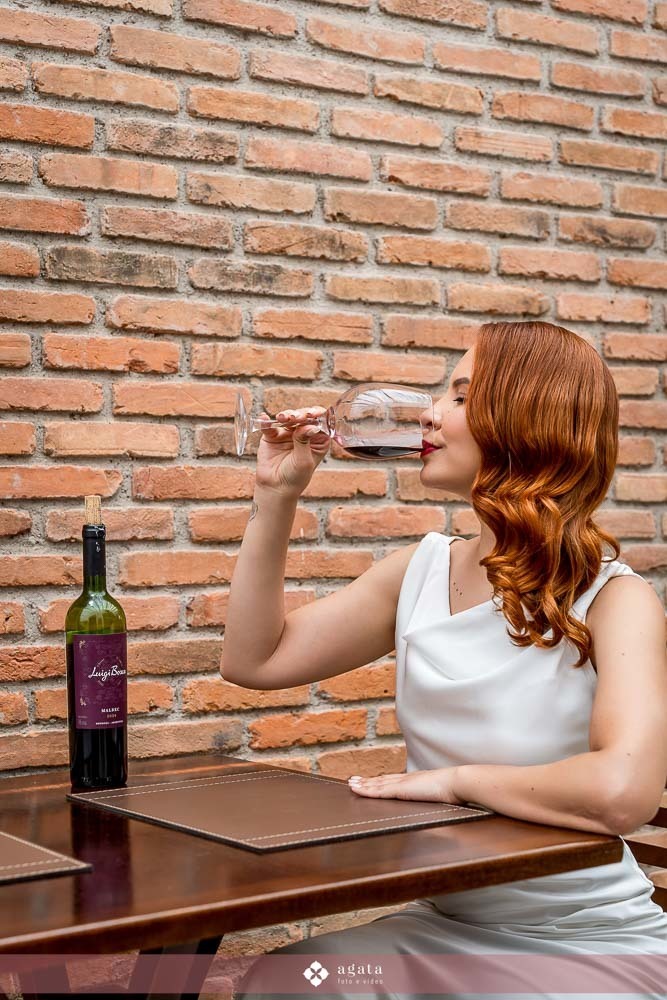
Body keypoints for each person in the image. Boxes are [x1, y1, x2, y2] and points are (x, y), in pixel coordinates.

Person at [223, 320, 667, 1000]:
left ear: (526, 423)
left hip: (591, 940)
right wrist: (275, 495)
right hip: (448, 924)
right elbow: (255, 661)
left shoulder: (614, 599)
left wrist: (454, 781)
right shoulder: (420, 571)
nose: (429, 413)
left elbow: (622, 792)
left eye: (460, 396)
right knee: (287, 982)